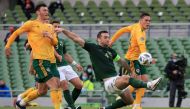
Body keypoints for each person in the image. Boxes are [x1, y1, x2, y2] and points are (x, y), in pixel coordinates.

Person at [54, 27, 162, 109]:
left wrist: (131, 70)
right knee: (126, 78)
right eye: (105, 37)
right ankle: (149, 85)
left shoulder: (111, 51)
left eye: (108, 37)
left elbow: (121, 61)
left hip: (115, 80)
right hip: (108, 82)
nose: (108, 39)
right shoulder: (93, 48)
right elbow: (76, 39)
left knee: (129, 101)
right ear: (98, 39)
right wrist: (64, 30)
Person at [5, 4, 61, 109]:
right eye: (44, 10)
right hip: (40, 60)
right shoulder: (31, 24)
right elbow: (16, 33)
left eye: (47, 10)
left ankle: (21, 103)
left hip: (51, 62)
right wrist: (7, 46)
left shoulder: (50, 27)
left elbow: (55, 43)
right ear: (38, 12)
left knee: (42, 91)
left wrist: (50, 37)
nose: (46, 12)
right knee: (54, 85)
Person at [109, 12, 152, 109]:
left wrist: (112, 40)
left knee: (144, 80)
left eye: (149, 21)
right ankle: (131, 101)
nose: (148, 22)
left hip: (138, 59)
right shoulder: (139, 32)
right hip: (132, 59)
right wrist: (146, 57)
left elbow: (122, 30)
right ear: (140, 20)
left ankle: (136, 104)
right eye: (146, 20)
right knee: (138, 82)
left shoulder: (135, 26)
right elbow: (142, 46)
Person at [52, 20, 83, 109]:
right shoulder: (47, 39)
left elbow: (65, 54)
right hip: (55, 67)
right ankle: (72, 108)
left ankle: (69, 107)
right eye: (55, 26)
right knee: (65, 84)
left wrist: (75, 64)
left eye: (58, 26)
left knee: (79, 85)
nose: (57, 28)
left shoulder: (61, 40)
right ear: (50, 27)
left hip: (65, 66)